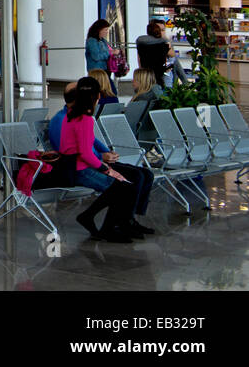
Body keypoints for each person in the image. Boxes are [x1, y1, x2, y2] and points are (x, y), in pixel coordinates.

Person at [48, 78, 155, 235]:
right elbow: (77, 152)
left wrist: (106, 153)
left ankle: (126, 220)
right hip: (82, 166)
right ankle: (113, 225)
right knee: (125, 184)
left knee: (142, 174)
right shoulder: (69, 118)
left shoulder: (78, 116)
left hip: (90, 162)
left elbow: (91, 140)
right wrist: (105, 166)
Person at [135, 21, 173, 88]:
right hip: (160, 75)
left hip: (146, 75)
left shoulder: (141, 43)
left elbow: (139, 59)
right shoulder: (164, 45)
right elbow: (172, 56)